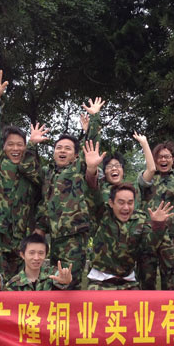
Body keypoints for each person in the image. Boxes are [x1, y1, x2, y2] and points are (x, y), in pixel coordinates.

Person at [21, 98, 104, 289]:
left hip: (74, 236)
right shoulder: (47, 173)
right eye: (58, 148)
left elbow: (91, 146)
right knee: (55, 281)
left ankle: (73, 309)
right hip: (54, 236)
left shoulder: (78, 169)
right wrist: (31, 144)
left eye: (67, 148)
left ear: (75, 155)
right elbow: (27, 169)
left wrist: (94, 117)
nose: (62, 151)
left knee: (70, 283)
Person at [0, 68, 44, 278]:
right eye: (11, 144)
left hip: (19, 239)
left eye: (20, 145)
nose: (16, 148)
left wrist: (32, 145)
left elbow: (43, 198)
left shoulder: (31, 171)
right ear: (3, 146)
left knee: (17, 286)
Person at [84, 142, 174, 289]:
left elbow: (148, 247)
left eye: (130, 202)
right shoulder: (102, 213)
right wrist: (91, 169)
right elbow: (92, 191)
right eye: (120, 202)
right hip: (100, 281)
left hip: (128, 282)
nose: (126, 207)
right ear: (111, 202)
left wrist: (158, 225)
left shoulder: (139, 219)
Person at [137, 139, 174, 289]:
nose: (163, 160)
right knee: (146, 278)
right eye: (160, 157)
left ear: (173, 159)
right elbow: (149, 171)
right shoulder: (148, 177)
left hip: (171, 235)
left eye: (167, 156)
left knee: (171, 279)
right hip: (149, 234)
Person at [5, 233, 74, 291]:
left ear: (46, 255)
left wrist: (65, 280)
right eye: (32, 253)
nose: (36, 258)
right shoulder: (13, 284)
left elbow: (60, 278)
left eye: (41, 253)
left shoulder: (52, 276)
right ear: (22, 255)